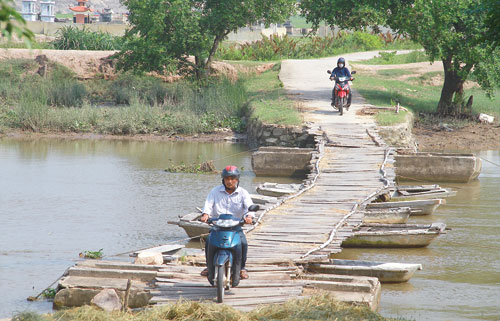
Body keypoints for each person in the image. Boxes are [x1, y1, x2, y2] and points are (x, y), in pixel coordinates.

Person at [200, 165, 254, 280]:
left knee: (243, 243)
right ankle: (209, 267)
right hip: (218, 226)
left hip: (235, 227)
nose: (230, 181)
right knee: (209, 241)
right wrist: (205, 215)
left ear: (237, 179)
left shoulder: (243, 193)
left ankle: (241, 268)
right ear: (223, 179)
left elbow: (249, 207)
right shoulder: (215, 191)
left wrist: (249, 216)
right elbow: (208, 205)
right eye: (227, 178)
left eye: (232, 178)